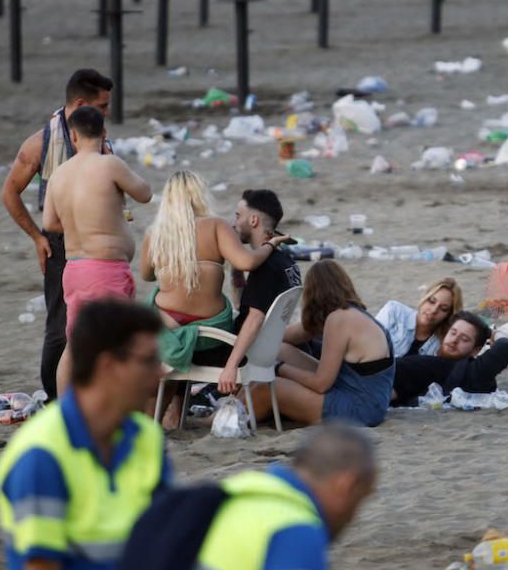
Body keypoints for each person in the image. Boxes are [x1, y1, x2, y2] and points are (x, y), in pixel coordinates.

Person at [0, 300, 171, 570]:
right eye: (149, 361)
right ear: (108, 366)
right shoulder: (42, 455)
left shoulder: (146, 436)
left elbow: (166, 541)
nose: (160, 373)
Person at [103, 425, 376, 570]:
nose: (354, 517)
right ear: (346, 485)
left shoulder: (240, 492)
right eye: (360, 500)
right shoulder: (296, 529)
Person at [1, 68, 114, 400]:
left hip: (98, 243)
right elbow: (9, 193)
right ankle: (55, 399)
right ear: (80, 103)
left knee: (101, 321)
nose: (108, 113)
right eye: (103, 105)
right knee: (60, 329)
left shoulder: (99, 136)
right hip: (61, 244)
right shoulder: (40, 143)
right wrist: (37, 238)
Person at [141, 173, 287, 423]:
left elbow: (146, 275)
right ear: (199, 194)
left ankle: (154, 421)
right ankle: (169, 416)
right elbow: (247, 262)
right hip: (209, 340)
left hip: (167, 335)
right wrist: (271, 245)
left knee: (153, 306)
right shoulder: (215, 225)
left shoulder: (155, 235)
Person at [43, 106, 153, 393]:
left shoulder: (59, 175)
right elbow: (145, 193)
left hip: (75, 269)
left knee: (75, 344)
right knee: (120, 343)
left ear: (74, 137)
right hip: (105, 269)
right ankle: (118, 407)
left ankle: (66, 408)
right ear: (104, 133)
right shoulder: (109, 165)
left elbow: (49, 222)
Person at [237, 260, 394, 428]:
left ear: (313, 294)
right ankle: (234, 405)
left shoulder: (339, 320)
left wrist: (278, 368)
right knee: (281, 350)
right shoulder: (351, 313)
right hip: (363, 397)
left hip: (360, 409)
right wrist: (255, 336)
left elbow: (321, 384)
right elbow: (282, 338)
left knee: (267, 388)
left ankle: (227, 418)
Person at [214, 189, 302, 387]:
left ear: (253, 220)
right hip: (265, 350)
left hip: (242, 351)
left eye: (238, 216)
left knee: (179, 349)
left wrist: (231, 366)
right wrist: (238, 264)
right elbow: (241, 305)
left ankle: (174, 413)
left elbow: (255, 318)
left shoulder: (266, 268)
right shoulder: (286, 262)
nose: (234, 223)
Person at [391, 312, 508, 407]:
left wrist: (493, 333)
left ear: (475, 350)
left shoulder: (473, 371)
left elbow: (506, 346)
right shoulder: (429, 357)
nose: (454, 340)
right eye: (453, 333)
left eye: (464, 339)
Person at [374, 277, 463, 358]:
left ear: (449, 315)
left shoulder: (443, 342)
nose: (433, 310)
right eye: (431, 301)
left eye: (443, 308)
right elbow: (370, 345)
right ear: (424, 297)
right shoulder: (394, 311)